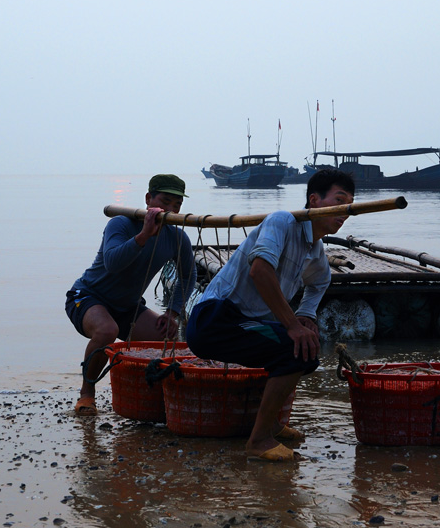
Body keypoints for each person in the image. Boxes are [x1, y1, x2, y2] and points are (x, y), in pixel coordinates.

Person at [187, 167, 355, 461]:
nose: (345, 211)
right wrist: (291, 325)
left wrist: (305, 320)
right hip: (214, 317)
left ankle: (274, 425)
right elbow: (260, 271)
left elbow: (317, 288)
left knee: (306, 350)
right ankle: (259, 440)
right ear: (314, 200)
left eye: (350, 205)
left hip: (247, 324)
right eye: (339, 200)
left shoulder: (317, 257)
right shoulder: (282, 221)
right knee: (294, 347)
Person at [66, 174, 196, 416]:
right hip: (87, 296)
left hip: (129, 306)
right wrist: (144, 235)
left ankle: (151, 396)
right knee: (107, 331)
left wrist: (172, 312)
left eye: (177, 205)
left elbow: (188, 276)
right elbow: (113, 263)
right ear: (149, 199)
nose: (170, 209)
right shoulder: (121, 224)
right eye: (165, 202)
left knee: (167, 338)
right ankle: (87, 394)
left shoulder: (177, 238)